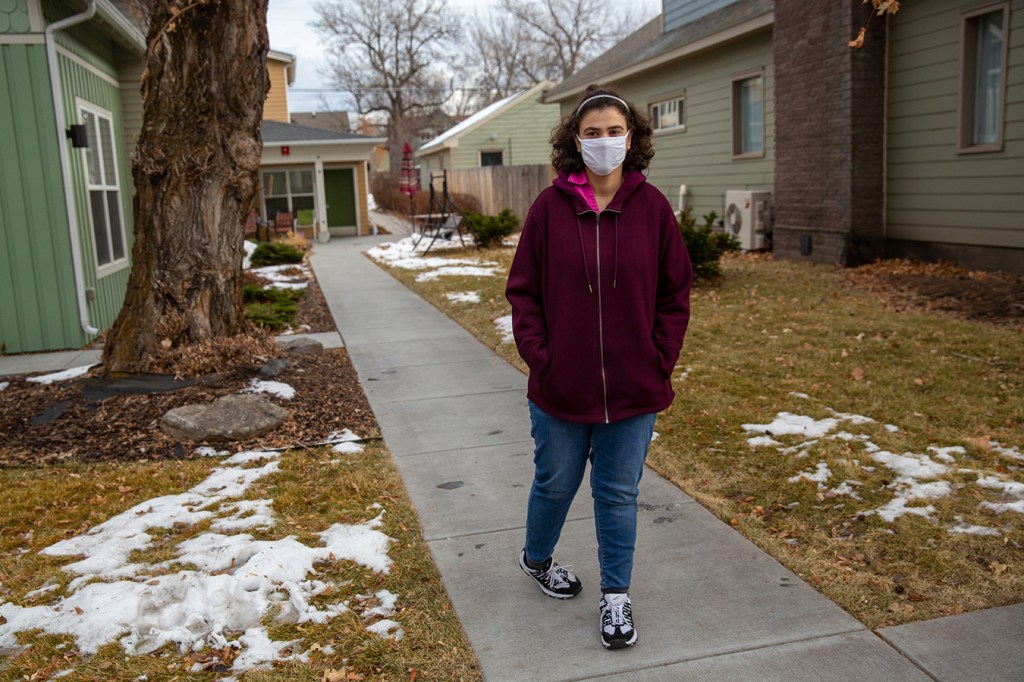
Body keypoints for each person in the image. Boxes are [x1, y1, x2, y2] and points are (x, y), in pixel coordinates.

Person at [505, 84, 693, 649]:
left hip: (635, 390)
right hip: (561, 388)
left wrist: (659, 359)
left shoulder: (653, 209)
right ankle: (537, 559)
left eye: (615, 131)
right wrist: (544, 359)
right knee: (556, 483)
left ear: (631, 139)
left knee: (617, 493)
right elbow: (524, 293)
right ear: (575, 142)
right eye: (593, 133)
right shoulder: (549, 208)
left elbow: (674, 293)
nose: (604, 141)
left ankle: (616, 597)